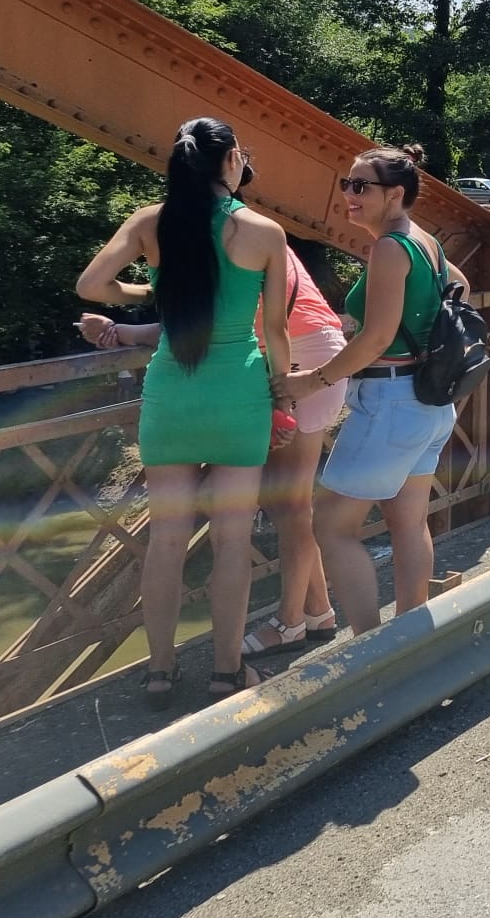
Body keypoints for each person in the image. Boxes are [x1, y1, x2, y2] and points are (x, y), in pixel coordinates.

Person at [77, 117, 294, 704]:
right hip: (239, 396)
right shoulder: (264, 232)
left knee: (167, 540)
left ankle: (159, 672)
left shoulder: (152, 222)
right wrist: (283, 396)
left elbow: (92, 286)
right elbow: (275, 332)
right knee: (232, 541)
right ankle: (227, 672)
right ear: (231, 161)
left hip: (171, 395)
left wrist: (147, 290)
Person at [82, 242, 348, 659]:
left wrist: (121, 331)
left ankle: (291, 622)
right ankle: (318, 611)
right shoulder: (248, 236)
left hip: (296, 356)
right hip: (311, 347)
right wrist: (123, 328)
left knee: (290, 504)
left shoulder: (214, 240)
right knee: (285, 501)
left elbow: (193, 329)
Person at [278, 144, 464, 640]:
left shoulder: (389, 248)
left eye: (361, 186)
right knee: (409, 523)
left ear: (395, 194)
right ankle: (410, 639)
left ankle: (371, 646)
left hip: (390, 404)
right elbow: (460, 287)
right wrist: (417, 331)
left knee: (331, 526)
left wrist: (312, 380)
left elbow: (377, 339)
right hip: (426, 403)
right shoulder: (425, 242)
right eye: (347, 184)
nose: (349, 194)